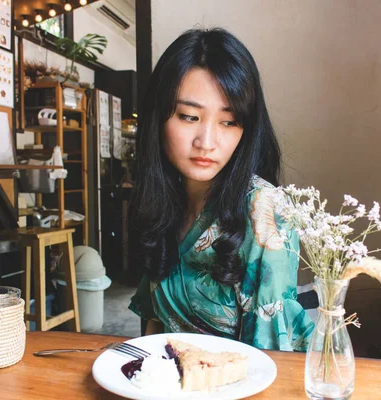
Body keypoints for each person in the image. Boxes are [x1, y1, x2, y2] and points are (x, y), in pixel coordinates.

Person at [128, 28, 314, 351]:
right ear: (158, 119)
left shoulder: (264, 213)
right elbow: (153, 326)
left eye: (228, 122)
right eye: (189, 117)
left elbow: (272, 363)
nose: (207, 142)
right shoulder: (160, 201)